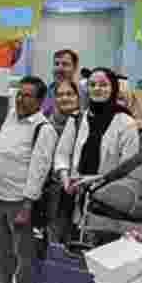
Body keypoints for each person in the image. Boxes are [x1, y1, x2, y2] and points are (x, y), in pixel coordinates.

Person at [0, 76, 58, 283]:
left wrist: (27, 206)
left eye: (27, 95)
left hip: (21, 202)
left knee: (24, 259)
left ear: (40, 101)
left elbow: (39, 170)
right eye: (19, 94)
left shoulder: (43, 129)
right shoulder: (11, 117)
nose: (20, 99)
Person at [56, 68, 141, 198]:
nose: (97, 88)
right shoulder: (76, 118)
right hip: (74, 194)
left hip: (108, 196)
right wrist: (65, 180)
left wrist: (95, 180)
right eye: (92, 85)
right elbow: (62, 155)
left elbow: (128, 167)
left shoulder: (126, 123)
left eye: (103, 85)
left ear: (113, 88)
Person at [44, 79, 82, 243]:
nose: (65, 98)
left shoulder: (86, 121)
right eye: (60, 95)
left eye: (70, 94)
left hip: (79, 190)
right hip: (52, 192)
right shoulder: (45, 123)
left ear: (78, 97)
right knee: (54, 240)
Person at [43, 49, 85, 116]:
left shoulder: (85, 94)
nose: (59, 68)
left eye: (65, 64)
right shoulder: (47, 92)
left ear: (75, 68)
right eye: (56, 64)